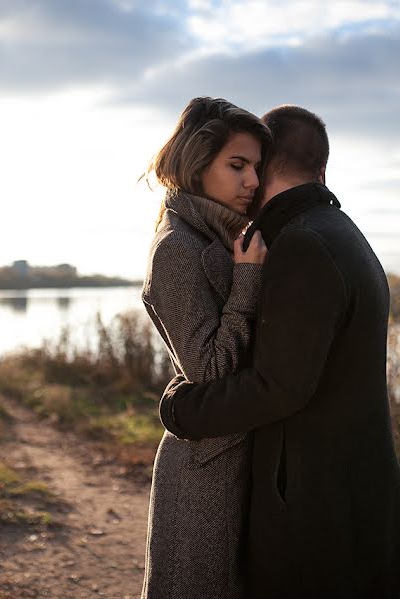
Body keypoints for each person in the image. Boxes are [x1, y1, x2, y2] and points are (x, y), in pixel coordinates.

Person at [159, 105, 400, 598]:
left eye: (251, 166)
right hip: (352, 499)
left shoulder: (300, 243)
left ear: (265, 167)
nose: (247, 182)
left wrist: (182, 409)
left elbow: (278, 386)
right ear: (322, 169)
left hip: (316, 511)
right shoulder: (343, 233)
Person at [139, 97, 272, 599]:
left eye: (257, 167)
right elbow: (211, 374)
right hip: (204, 476)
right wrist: (247, 281)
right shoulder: (177, 249)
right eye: (237, 165)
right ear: (197, 165)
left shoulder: (219, 234)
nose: (252, 182)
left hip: (233, 462)